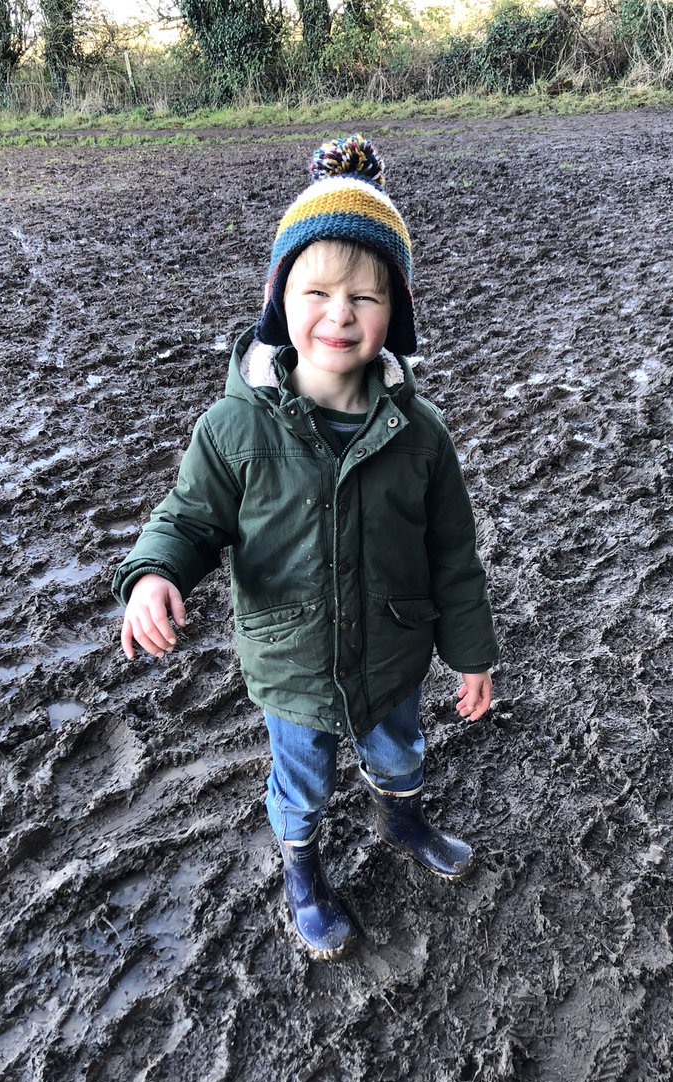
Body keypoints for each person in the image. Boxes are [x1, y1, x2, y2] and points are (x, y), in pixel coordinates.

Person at [112, 134, 498, 960]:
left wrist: (471, 654)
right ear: (278, 299)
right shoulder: (234, 427)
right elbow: (188, 517)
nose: (339, 314)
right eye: (316, 291)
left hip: (394, 651)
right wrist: (152, 574)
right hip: (292, 663)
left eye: (365, 296)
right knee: (303, 780)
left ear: (396, 312)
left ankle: (402, 819)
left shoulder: (422, 435)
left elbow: (454, 554)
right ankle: (304, 875)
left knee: (400, 750)